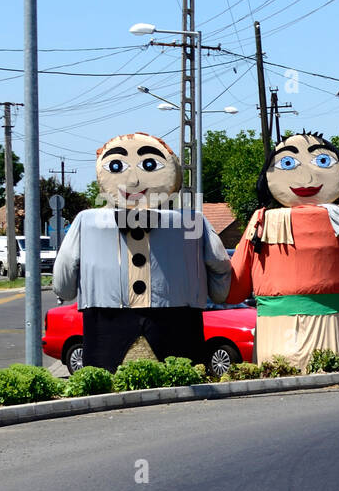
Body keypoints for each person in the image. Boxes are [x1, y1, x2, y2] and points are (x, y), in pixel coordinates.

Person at [226, 132, 339, 371]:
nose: (307, 176)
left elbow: (234, 289)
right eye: (288, 163)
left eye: (322, 162)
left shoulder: (262, 222)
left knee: (280, 382)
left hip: (277, 339)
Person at [53, 132, 230, 371]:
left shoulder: (87, 222)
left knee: (110, 381)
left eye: (149, 165)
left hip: (105, 320)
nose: (134, 180)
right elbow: (219, 263)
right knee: (177, 377)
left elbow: (64, 273)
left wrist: (65, 289)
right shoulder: (190, 222)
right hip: (178, 319)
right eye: (117, 166)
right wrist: (218, 291)